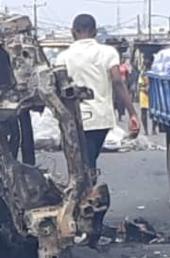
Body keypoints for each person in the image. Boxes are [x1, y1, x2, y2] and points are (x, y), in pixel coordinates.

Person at [56, 14, 140, 172]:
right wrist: (132, 113)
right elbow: (117, 81)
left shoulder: (63, 57)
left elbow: (59, 87)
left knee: (84, 162)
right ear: (95, 32)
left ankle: (88, 183)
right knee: (89, 160)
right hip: (101, 118)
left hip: (74, 117)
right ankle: (89, 182)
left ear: (73, 32)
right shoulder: (108, 53)